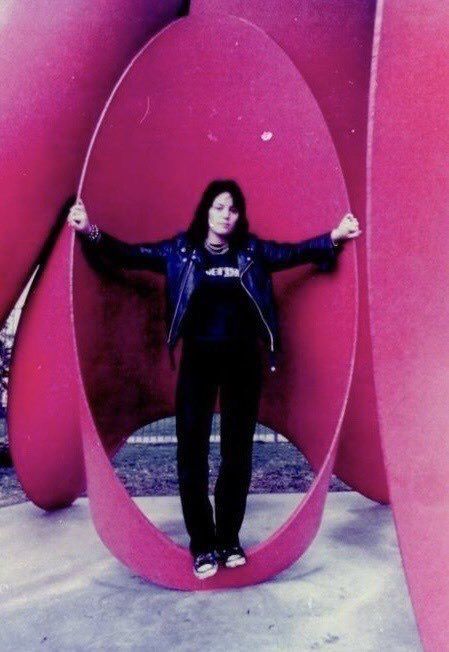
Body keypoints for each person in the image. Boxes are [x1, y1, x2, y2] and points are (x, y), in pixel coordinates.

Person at [67, 179, 361, 580]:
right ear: (206, 210)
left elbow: (294, 253)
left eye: (233, 209)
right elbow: (128, 256)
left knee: (236, 455)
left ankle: (228, 540)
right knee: (191, 454)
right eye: (219, 207)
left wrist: (334, 236)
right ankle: (203, 545)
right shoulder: (180, 251)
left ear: (239, 216)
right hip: (198, 363)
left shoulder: (251, 251)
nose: (226, 215)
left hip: (243, 363)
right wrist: (89, 230)